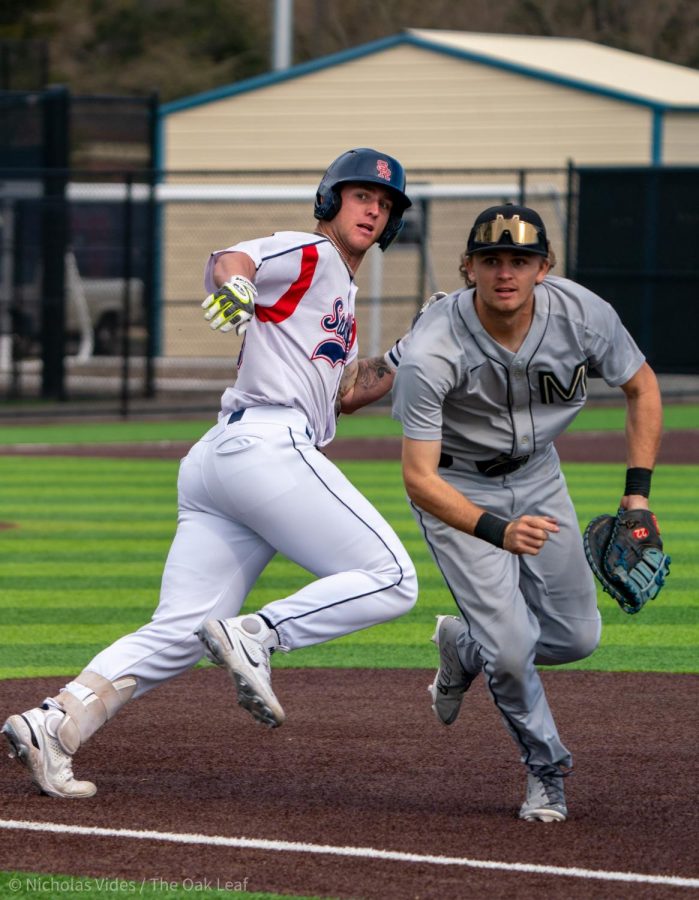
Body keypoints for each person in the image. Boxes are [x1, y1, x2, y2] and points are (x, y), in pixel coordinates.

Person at [2, 148, 418, 798]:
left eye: (385, 203)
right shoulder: (311, 253)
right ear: (329, 199)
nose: (373, 208)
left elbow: (344, 392)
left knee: (177, 631)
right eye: (361, 194)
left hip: (222, 463)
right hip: (266, 445)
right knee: (393, 579)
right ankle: (260, 633)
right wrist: (234, 287)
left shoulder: (337, 287)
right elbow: (234, 258)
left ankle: (54, 724)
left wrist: (406, 351)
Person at [391, 203, 663, 823]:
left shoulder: (583, 315)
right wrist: (497, 531)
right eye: (491, 260)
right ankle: (547, 770)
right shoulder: (433, 347)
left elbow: (642, 386)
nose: (505, 273)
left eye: (520, 259)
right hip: (459, 489)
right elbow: (417, 478)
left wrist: (637, 493)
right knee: (511, 653)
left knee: (575, 637)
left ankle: (463, 646)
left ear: (546, 267)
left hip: (540, 476)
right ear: (468, 268)